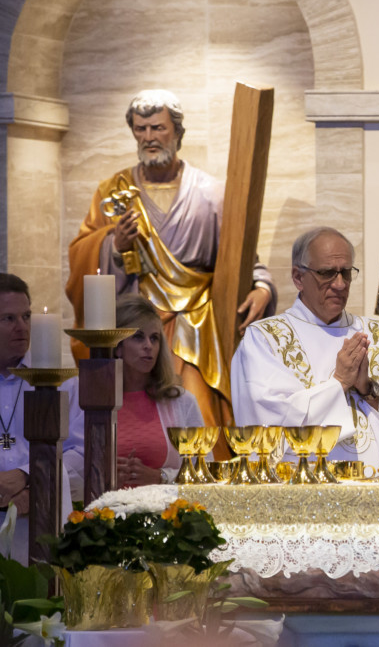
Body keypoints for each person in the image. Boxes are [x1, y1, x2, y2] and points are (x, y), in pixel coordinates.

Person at [64, 89, 276, 431]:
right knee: (135, 418)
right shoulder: (112, 192)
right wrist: (113, 246)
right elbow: (81, 255)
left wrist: (262, 287)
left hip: (197, 324)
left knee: (200, 421)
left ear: (177, 132)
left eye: (158, 128)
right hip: (135, 328)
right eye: (140, 128)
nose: (149, 137)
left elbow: (242, 257)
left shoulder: (211, 194)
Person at [231, 227, 379, 477]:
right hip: (296, 494)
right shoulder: (264, 340)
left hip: (376, 493)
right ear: (297, 277)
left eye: (346, 273)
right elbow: (265, 426)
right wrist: (338, 383)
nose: (339, 284)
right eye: (327, 273)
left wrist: (368, 389)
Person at [0, 274, 82, 563]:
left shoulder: (61, 382)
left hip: (40, 524)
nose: (22, 327)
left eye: (26, 316)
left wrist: (29, 478)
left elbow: (81, 454)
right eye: (8, 318)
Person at [114, 294, 204, 488]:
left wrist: (160, 477)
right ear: (117, 346)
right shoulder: (92, 401)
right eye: (138, 337)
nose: (149, 346)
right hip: (103, 513)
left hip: (167, 513)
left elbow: (202, 472)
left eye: (154, 338)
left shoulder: (181, 401)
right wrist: (105, 476)